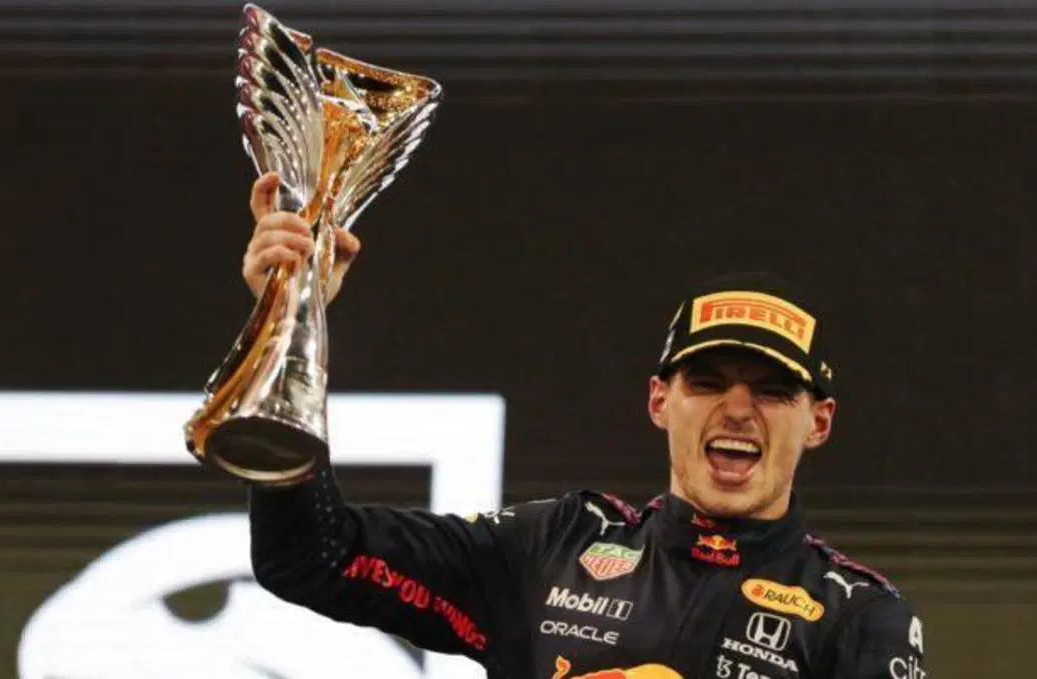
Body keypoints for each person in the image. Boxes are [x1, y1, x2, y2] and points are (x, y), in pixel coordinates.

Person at [242, 172, 929, 679]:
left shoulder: (856, 617)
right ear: (659, 400)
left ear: (819, 422)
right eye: (707, 382)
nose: (738, 409)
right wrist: (291, 324)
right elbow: (308, 556)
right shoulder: (556, 545)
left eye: (774, 392)